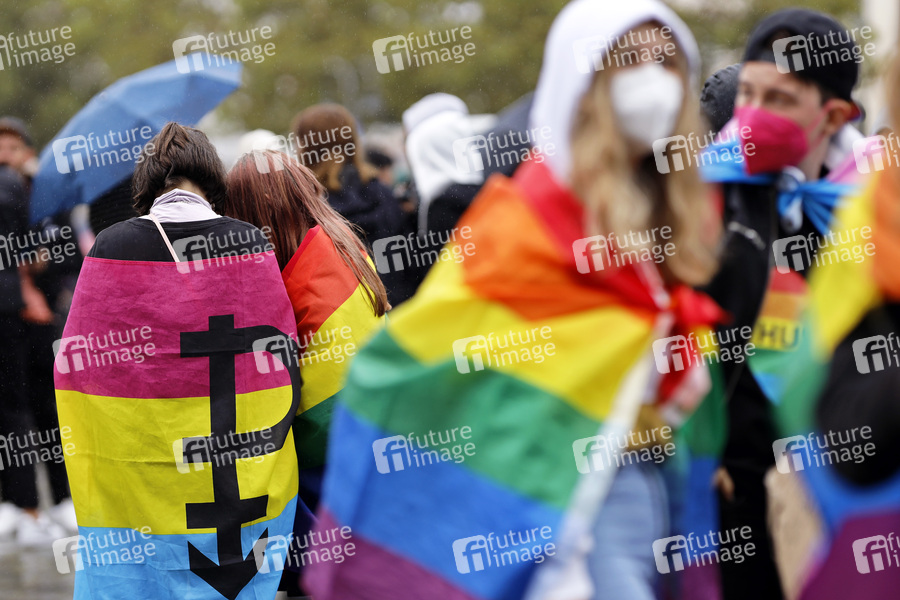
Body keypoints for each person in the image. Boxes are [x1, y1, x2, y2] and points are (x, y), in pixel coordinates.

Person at [304, 1, 722, 599]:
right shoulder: (521, 224)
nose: (651, 81)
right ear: (582, 83)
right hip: (561, 504)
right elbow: (398, 363)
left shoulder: (681, 217)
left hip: (653, 492)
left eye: (665, 62)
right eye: (630, 61)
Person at [55, 123, 300, 599]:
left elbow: (79, 369)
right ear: (211, 176)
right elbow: (281, 360)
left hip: (144, 468)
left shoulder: (112, 246)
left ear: (146, 182)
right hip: (234, 465)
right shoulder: (248, 241)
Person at [698, 9, 866, 600]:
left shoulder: (868, 213)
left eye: (779, 99)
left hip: (840, 489)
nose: (753, 113)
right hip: (729, 492)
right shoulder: (699, 203)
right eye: (747, 92)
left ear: (835, 115)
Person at [222, 150, 387, 598]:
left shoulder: (295, 280)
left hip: (329, 471)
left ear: (257, 215)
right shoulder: (342, 245)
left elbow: (297, 407)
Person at [292, 103, 408, 305]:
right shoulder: (382, 193)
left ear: (305, 146)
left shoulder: (303, 205)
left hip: (339, 317)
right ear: (353, 140)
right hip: (393, 311)